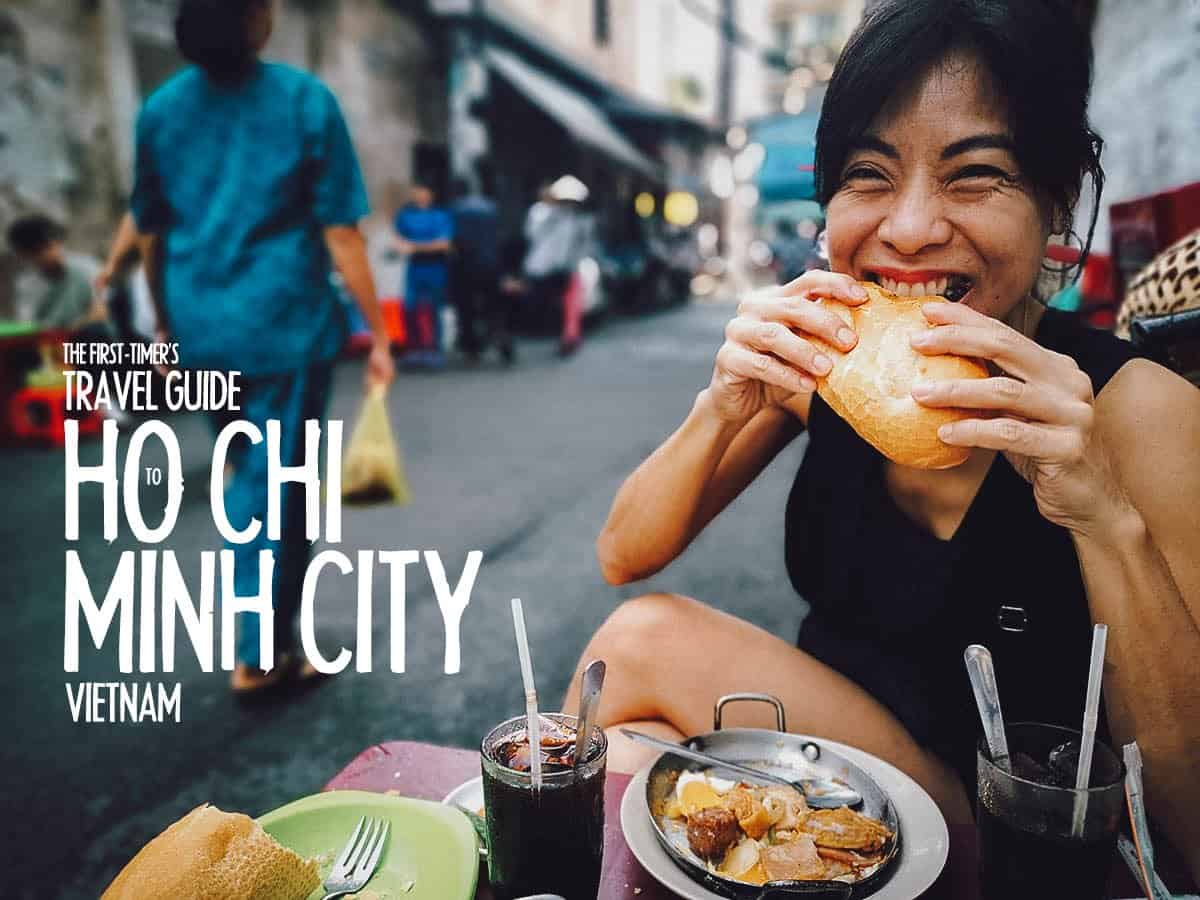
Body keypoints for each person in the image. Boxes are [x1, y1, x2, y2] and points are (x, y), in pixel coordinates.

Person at [565, 0, 1200, 874]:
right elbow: (623, 551)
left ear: (1055, 204)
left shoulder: (1137, 411)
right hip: (830, 774)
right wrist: (723, 404)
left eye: (975, 175)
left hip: (1017, 836)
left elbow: (1191, 822)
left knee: (640, 649)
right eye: (868, 173)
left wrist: (1100, 510)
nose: (907, 229)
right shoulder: (827, 366)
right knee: (628, 747)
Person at [129, 0, 395, 695]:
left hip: (202, 328)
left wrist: (165, 321)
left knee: (254, 479)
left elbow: (153, 233)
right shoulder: (304, 101)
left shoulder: (160, 110)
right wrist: (380, 331)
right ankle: (258, 651)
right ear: (254, 21)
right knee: (270, 490)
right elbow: (342, 233)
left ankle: (281, 640)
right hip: (283, 327)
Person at [523, 177, 593, 356]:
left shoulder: (573, 216)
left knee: (571, 302)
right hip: (541, 267)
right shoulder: (540, 212)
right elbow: (532, 234)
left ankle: (570, 337)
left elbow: (580, 242)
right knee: (540, 302)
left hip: (566, 267)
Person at [7, 214, 109, 335]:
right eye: (38, 251)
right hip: (47, 341)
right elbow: (28, 324)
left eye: (49, 246)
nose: (47, 254)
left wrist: (72, 330)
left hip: (83, 336)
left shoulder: (86, 268)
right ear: (25, 255)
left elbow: (102, 310)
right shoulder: (27, 283)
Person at [449, 171, 513, 363]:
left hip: (466, 266)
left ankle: (471, 346)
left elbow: (455, 240)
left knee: (466, 308)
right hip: (491, 265)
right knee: (493, 307)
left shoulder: (456, 211)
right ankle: (501, 338)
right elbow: (499, 238)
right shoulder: (490, 208)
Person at [394, 181, 453, 367]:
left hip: (435, 268)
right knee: (410, 309)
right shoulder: (405, 216)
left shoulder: (440, 215)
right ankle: (414, 349)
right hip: (414, 269)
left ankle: (433, 349)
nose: (419, 195)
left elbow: (444, 244)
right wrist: (427, 246)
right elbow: (399, 244)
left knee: (433, 309)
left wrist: (415, 247)